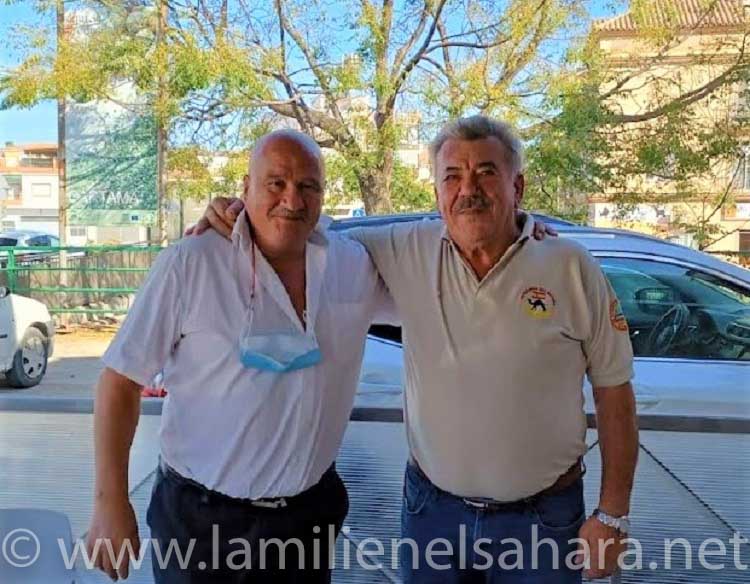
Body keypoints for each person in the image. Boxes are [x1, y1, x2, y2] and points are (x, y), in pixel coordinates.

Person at [194, 116, 639, 583]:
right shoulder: (405, 249)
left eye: (486, 172)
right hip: (432, 517)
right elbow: (302, 229)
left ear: (518, 187)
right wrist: (239, 212)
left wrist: (613, 514)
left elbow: (614, 390)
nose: (468, 189)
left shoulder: (569, 265)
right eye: (452, 176)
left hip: (543, 520)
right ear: (437, 192)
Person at [85, 130, 397, 583]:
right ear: (245, 188)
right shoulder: (191, 263)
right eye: (276, 183)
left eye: (308, 185)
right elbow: (120, 381)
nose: (293, 199)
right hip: (200, 524)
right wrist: (110, 501)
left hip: (307, 520)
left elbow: (439, 269)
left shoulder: (353, 264)